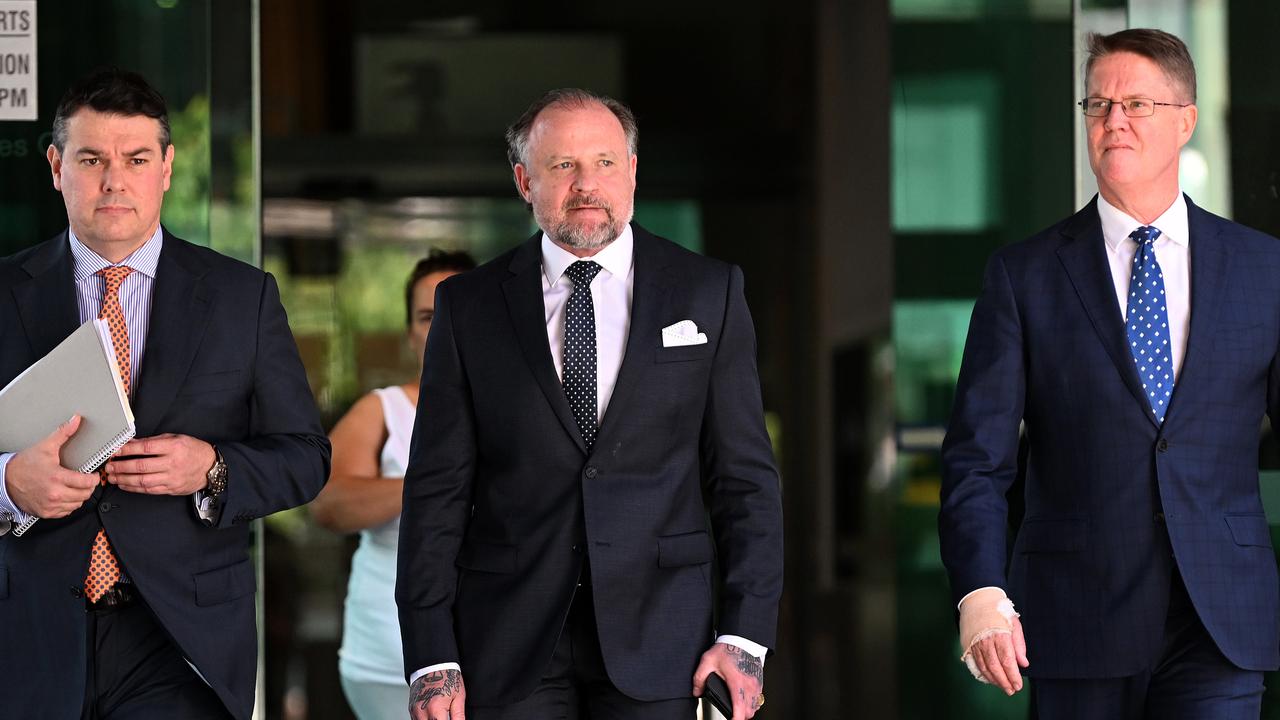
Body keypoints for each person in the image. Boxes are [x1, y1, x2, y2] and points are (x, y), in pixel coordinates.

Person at [396, 88, 784, 720]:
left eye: (604, 162)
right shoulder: (468, 307)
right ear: (524, 180)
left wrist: (743, 637)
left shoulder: (709, 292)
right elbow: (436, 490)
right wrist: (431, 655)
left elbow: (745, 481)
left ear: (632, 171)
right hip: (507, 639)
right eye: (562, 166)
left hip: (664, 638)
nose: (586, 184)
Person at [939, 28, 1280, 719]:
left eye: (1135, 105)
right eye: (1097, 106)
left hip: (1221, 619)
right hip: (1076, 616)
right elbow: (978, 461)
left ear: (1185, 120)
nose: (1113, 121)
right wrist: (979, 592)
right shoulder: (1024, 276)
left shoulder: (1263, 268)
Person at [0, 68, 330, 719]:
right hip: (24, 637)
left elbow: (305, 456)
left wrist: (214, 467)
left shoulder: (242, 298)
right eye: (92, 159)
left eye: (136, 159)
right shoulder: (3, 291)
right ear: (56, 165)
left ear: (168, 168)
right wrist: (8, 483)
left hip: (179, 642)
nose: (114, 180)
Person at [312, 249, 477, 719]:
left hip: (503, 646)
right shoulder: (383, 408)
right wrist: (438, 486)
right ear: (410, 333)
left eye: (455, 311)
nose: (441, 326)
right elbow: (328, 504)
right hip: (390, 656)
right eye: (427, 316)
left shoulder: (527, 408)